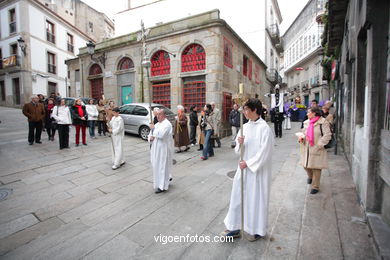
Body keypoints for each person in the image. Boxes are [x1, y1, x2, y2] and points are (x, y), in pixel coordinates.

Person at [222, 98, 274, 241]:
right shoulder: (244, 126)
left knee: (255, 199)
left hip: (257, 171)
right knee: (238, 196)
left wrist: (249, 163)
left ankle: (255, 229)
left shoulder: (265, 129)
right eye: (243, 109)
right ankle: (235, 226)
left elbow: (265, 152)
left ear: (255, 110)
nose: (243, 112)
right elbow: (238, 150)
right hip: (243, 169)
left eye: (246, 109)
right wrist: (240, 144)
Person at [298, 106, 332, 194]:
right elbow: (304, 133)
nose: (307, 114)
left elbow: (327, 135)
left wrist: (319, 145)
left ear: (314, 113)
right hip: (307, 147)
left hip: (317, 148)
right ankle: (310, 177)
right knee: (305, 166)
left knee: (316, 168)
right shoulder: (306, 122)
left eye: (308, 112)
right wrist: (301, 137)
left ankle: (315, 186)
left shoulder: (323, 122)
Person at [148, 109, 173, 194]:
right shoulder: (157, 124)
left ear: (164, 115)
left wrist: (154, 129)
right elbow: (151, 134)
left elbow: (162, 135)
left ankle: (162, 186)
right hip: (156, 148)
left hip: (163, 149)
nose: (157, 116)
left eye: (160, 114)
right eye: (157, 114)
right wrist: (150, 137)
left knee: (162, 167)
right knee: (156, 166)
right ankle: (159, 183)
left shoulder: (167, 124)